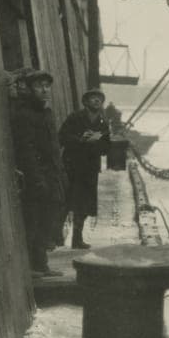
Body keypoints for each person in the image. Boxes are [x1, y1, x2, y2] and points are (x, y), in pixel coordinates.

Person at [8, 67, 66, 276]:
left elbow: (53, 146)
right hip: (36, 177)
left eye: (47, 86)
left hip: (51, 175)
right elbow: (26, 150)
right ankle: (31, 266)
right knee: (33, 221)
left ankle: (41, 265)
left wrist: (59, 175)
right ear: (29, 89)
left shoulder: (46, 112)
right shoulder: (24, 114)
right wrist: (37, 179)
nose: (44, 90)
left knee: (47, 220)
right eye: (39, 86)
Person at [58, 89, 111, 250]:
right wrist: (80, 140)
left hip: (90, 169)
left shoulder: (103, 122)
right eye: (93, 98)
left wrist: (98, 142)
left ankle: (77, 239)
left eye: (99, 99)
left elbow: (106, 147)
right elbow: (62, 137)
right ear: (86, 102)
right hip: (73, 166)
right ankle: (55, 236)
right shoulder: (75, 117)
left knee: (85, 204)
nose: (97, 101)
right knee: (67, 201)